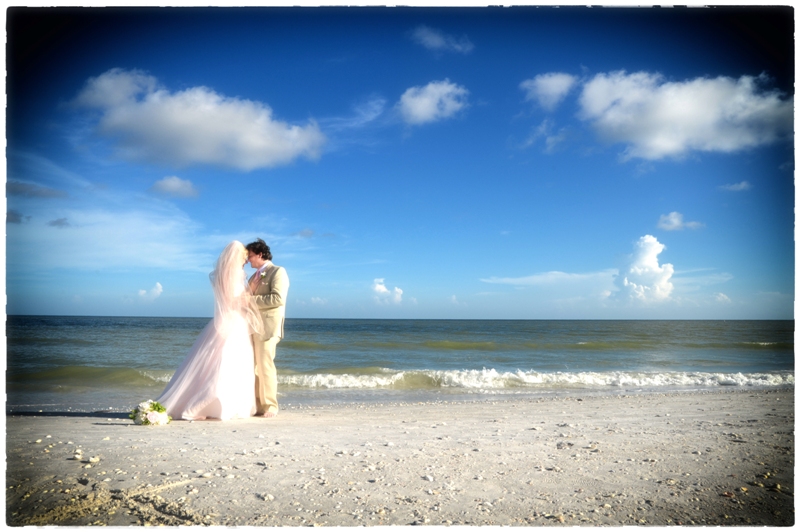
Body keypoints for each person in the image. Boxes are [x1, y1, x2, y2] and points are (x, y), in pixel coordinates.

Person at [157, 241, 264, 421]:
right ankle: (212, 403)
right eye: (244, 257)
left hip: (226, 319)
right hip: (235, 319)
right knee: (228, 361)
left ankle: (211, 402)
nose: (246, 261)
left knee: (215, 359)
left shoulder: (221, 273)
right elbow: (235, 299)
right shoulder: (236, 273)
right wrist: (251, 290)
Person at [245, 238, 289, 418]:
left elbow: (277, 299)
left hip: (268, 326)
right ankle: (258, 405)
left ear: (260, 254)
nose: (248, 260)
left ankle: (270, 406)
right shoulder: (252, 277)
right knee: (253, 368)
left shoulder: (277, 271)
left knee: (265, 366)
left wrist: (249, 301)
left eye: (250, 256)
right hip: (251, 326)